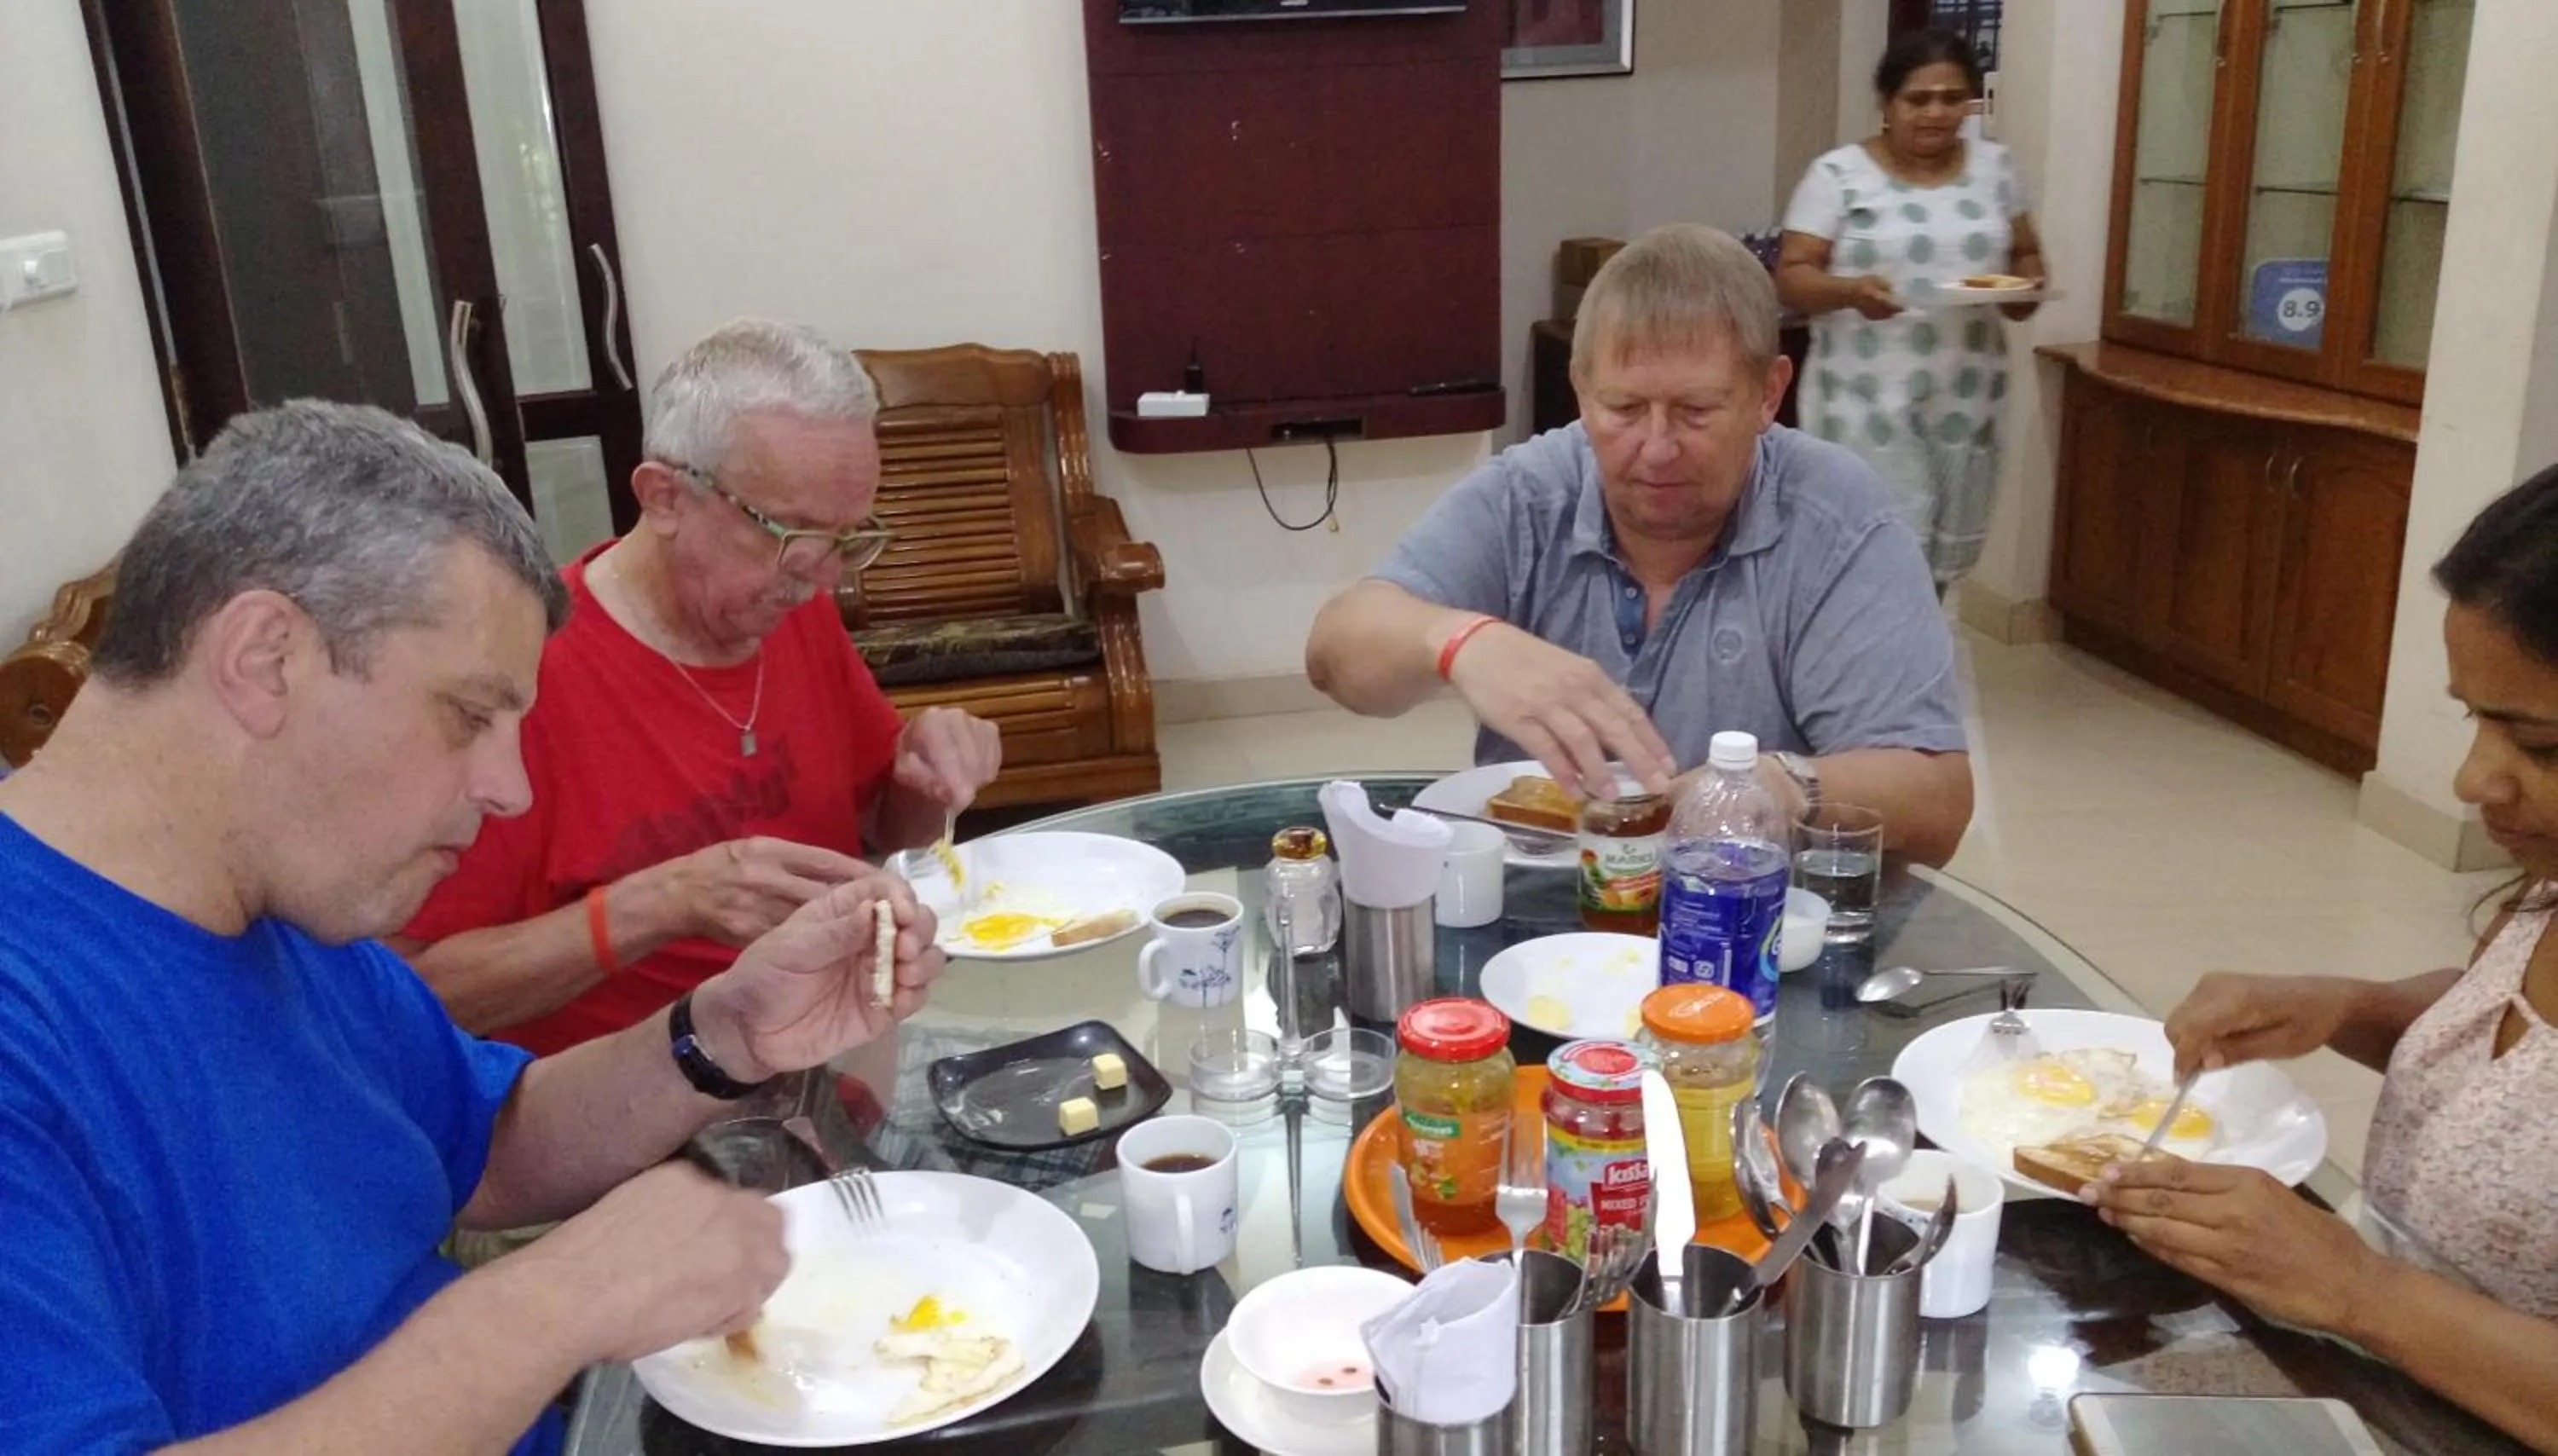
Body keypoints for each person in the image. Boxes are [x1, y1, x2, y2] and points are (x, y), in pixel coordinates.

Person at [0, 401, 946, 1453]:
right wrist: (558, 1296)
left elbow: (484, 1143)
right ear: (265, 658)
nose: (509, 789)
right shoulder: (34, 1016)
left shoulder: (286, 900)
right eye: (468, 717)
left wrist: (720, 1033)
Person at [2086, 466, 2558, 1454]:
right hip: (2360, 1372)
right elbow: (2517, 1062)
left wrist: (2359, 1288)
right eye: (2473, 718)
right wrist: (2348, 1006)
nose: (2474, 779)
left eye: (2539, 744)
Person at [397, 320, 1000, 1051]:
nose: (824, 578)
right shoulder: (519, 675)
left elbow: (880, 824)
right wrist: (663, 904)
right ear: (664, 499)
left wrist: (926, 779)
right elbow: (418, 994)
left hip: (833, 1046)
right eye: (789, 532)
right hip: (632, 1111)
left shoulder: (786, 608)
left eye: (848, 539)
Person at [1305, 223, 1972, 865]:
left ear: (1770, 393)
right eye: (1624, 409)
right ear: (1581, 393)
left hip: (1745, 929)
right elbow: (1337, 656)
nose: (1655, 449)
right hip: (1532, 932)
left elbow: (1938, 804)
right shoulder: (1531, 494)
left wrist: (1775, 788)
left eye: (1696, 411)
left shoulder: (1834, 516)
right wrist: (1458, 641)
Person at [1774, 28, 2046, 593]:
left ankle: (1919, 669)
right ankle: (1866, 673)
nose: (1936, 113)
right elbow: (1792, 278)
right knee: (1877, 558)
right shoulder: (1839, 176)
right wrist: (1850, 292)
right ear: (1886, 103)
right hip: (1866, 401)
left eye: (1952, 98)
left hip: (1967, 399)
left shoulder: (1996, 170)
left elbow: (2024, 258)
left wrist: (2027, 287)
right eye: (1918, 99)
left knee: (1937, 571)